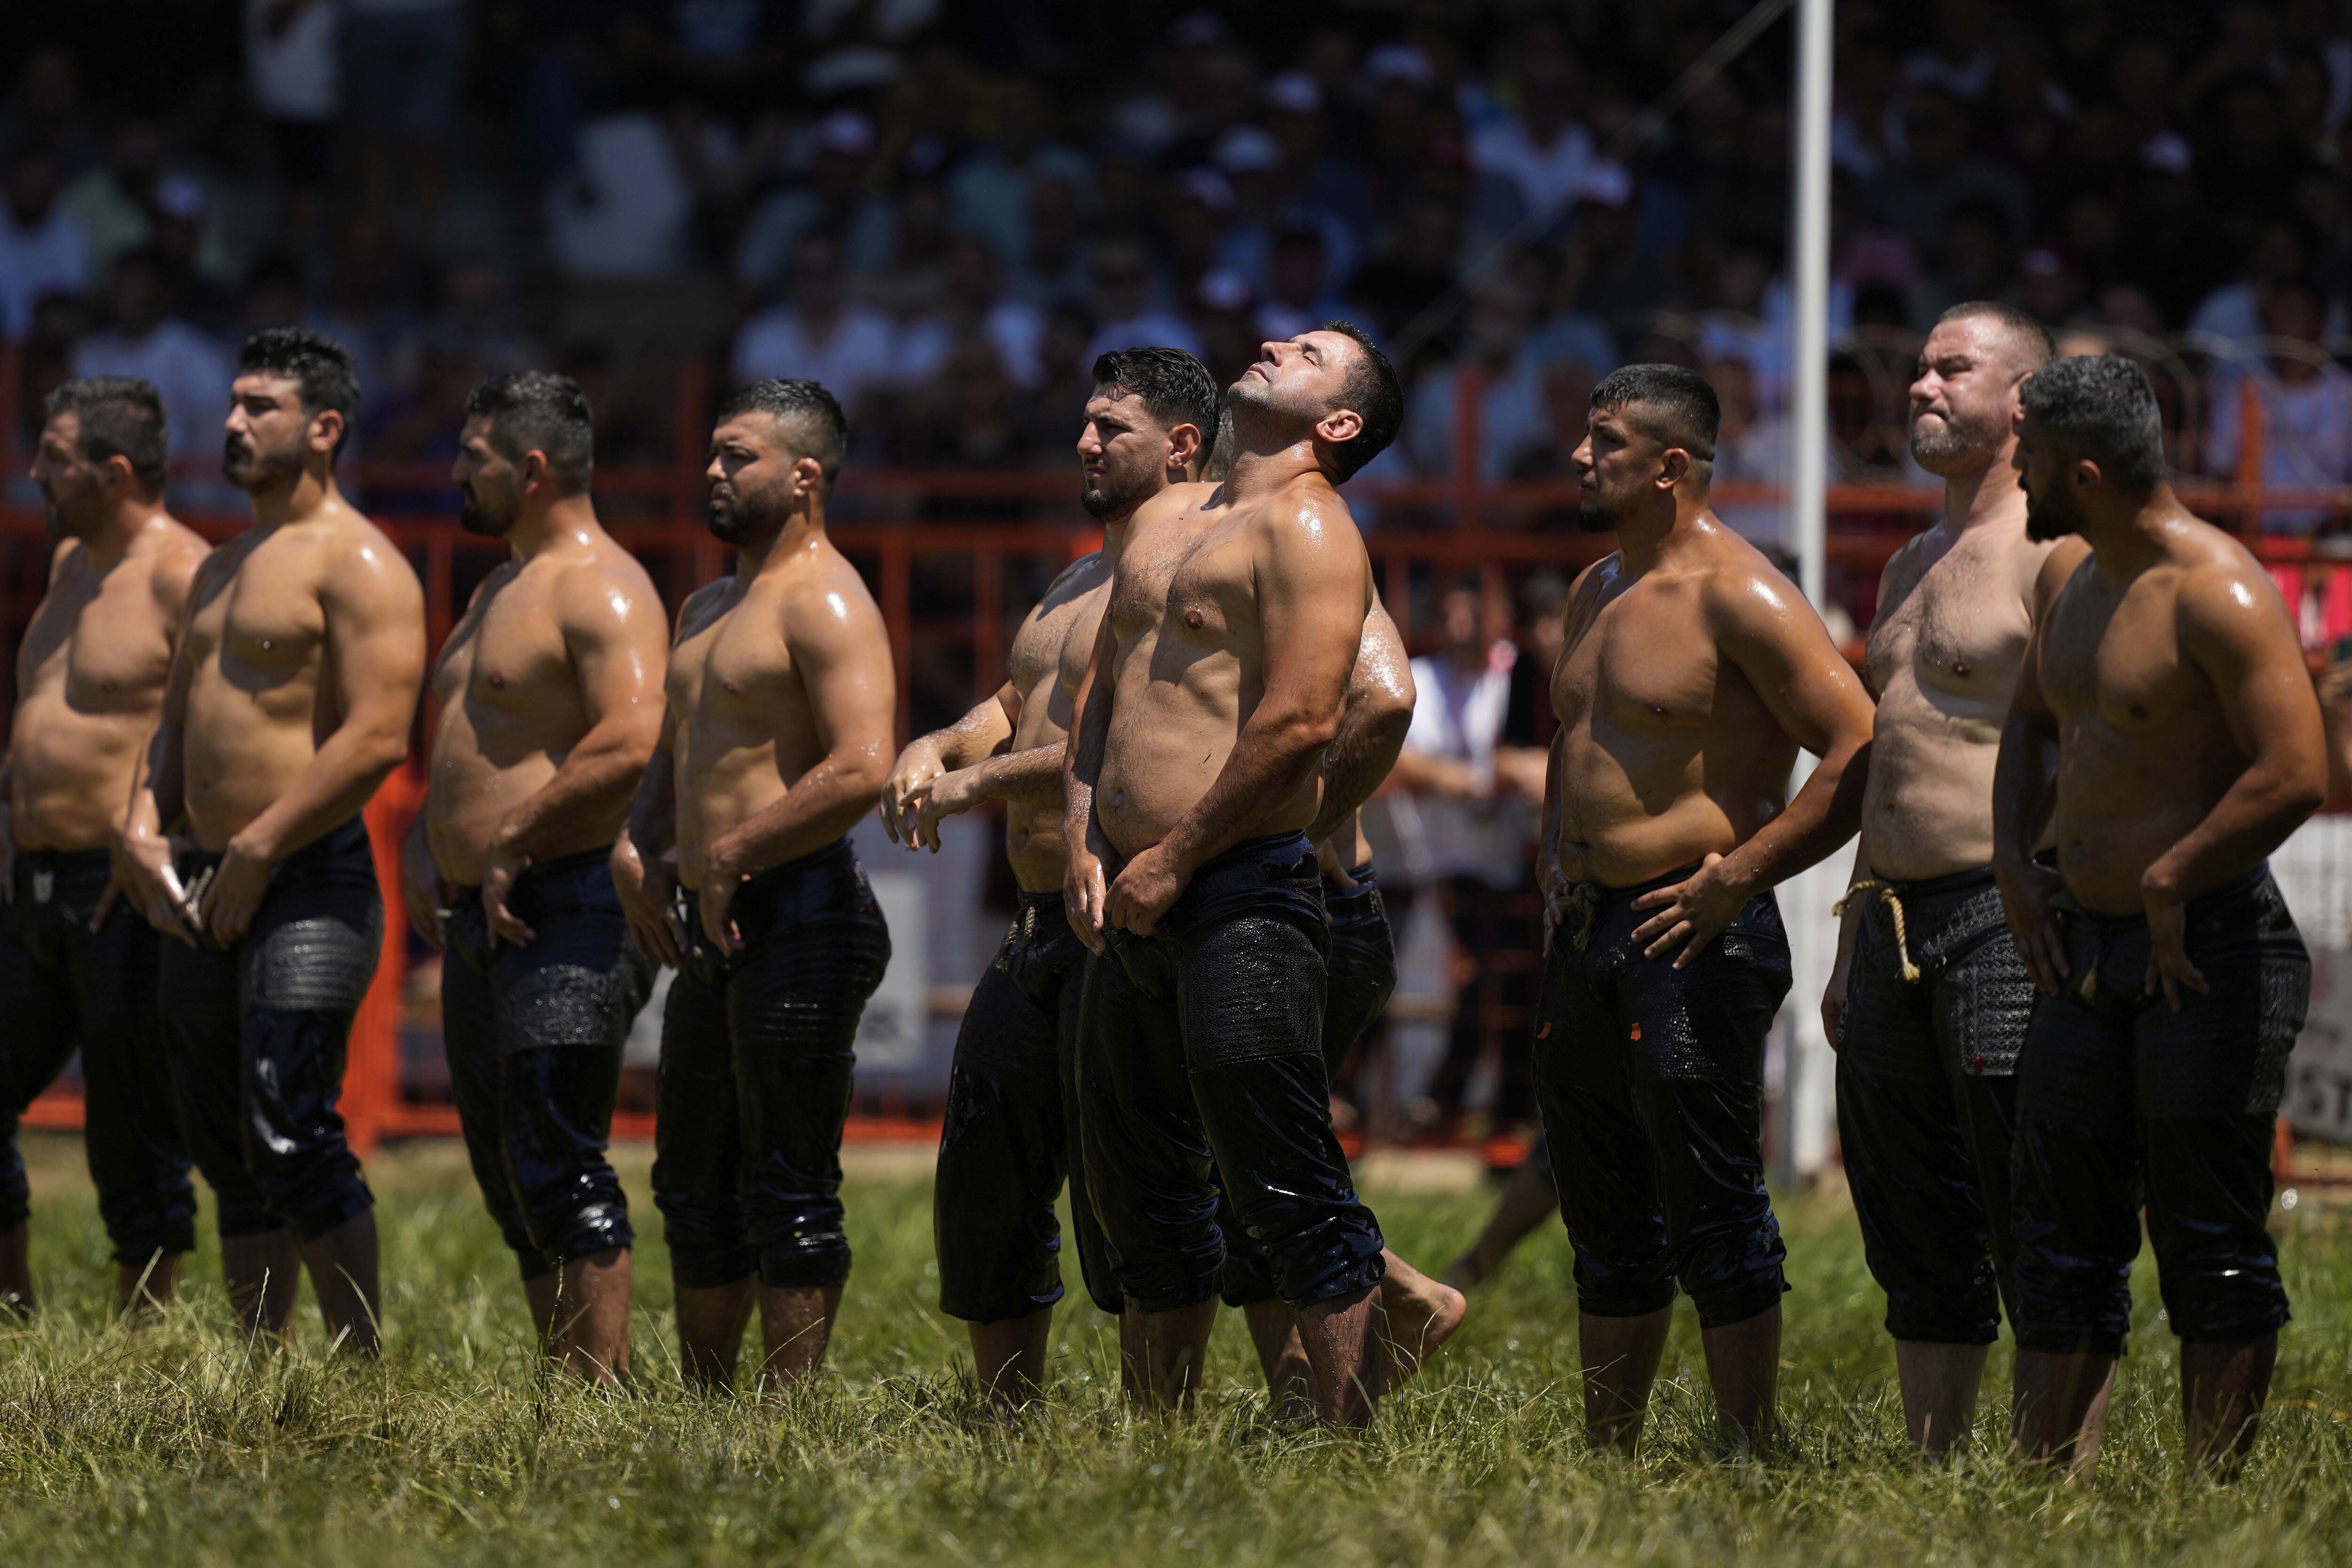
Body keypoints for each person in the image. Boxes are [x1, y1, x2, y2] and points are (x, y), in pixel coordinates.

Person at [1062, 324, 1407, 1428]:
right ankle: (1159, 1434)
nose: (1271, 342)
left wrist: (1174, 854)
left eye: (1306, 352)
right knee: (1143, 1185)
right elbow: (1100, 694)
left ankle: (1344, 1428)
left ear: (1337, 423)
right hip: (1128, 885)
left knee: (1280, 1169)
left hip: (1240, 889)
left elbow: (1305, 720)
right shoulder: (1170, 518)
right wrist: (1083, 833)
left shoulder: (1311, 529)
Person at [1994, 354, 2328, 1481]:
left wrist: (2173, 875)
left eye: (2027, 454)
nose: (2014, 471)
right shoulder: (2068, 577)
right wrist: (2011, 859)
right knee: (2058, 1228)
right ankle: (2045, 1487)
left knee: (2207, 1234)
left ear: (2083, 471)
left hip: (2210, 948)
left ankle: (2210, 1497)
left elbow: (2295, 771)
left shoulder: (2216, 590)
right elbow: (2032, 720)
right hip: (2082, 946)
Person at [1539, 364, 1875, 1452]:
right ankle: (1607, 1446)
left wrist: (1745, 872)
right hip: (1588, 921)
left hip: (1691, 923)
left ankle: (1747, 1438)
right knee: (1600, 1197)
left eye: (1604, 442)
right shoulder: (1596, 586)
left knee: (1709, 1193)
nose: (1580, 459)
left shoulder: (1742, 590)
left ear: (1668, 466)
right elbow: (1573, 737)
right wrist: (1556, 849)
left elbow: (1859, 739)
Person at [120, 328, 427, 1355]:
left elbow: (379, 733)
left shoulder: (362, 564)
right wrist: (140, 817)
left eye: (261, 407)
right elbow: (177, 716)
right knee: (218, 1129)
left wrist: (258, 843)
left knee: (288, 1114)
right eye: (235, 404)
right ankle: (262, 1359)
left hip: (305, 874)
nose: (233, 422)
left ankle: (358, 1365)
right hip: (204, 871)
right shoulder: (220, 564)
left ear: (326, 427)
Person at [610, 379, 894, 1393]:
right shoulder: (710, 600)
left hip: (801, 908)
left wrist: (731, 853)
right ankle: (707, 1398)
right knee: (692, 1179)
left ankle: (789, 1413)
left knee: (789, 1180)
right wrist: (638, 841)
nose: (713, 474)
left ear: (804, 476)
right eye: (714, 456)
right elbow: (675, 752)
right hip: (710, 917)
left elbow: (863, 763)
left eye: (739, 458)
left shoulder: (825, 598)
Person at [1821, 302, 2064, 1457]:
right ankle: (1935, 1462)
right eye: (1917, 368)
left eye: (1949, 369)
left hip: (2001, 910)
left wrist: (2046, 891)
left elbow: (2091, 744)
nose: (1920, 386)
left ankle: (2053, 1473)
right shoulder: (1911, 561)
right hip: (1893, 917)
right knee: (1907, 1210)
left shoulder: (2055, 551)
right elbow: (1889, 762)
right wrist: (1845, 941)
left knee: (2034, 1200)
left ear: (2020, 401)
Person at [399, 372, 667, 1382]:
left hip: (572, 895)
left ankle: (597, 1389)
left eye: (472, 459)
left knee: (557, 1147)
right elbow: (467, 745)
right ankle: (568, 1377)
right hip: (487, 905)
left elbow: (636, 736)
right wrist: (428, 839)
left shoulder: (601, 584)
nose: (456, 474)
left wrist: (512, 832)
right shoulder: (495, 588)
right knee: (510, 1163)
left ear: (533, 467)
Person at [0, 379, 208, 1315]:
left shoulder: (185, 575)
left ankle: (144, 1339)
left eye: (52, 456)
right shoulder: (69, 567)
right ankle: (13, 1312)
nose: (33, 472)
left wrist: (148, 834)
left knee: (130, 1124)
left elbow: (210, 726)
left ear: (114, 471)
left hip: (117, 882)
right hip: (32, 878)